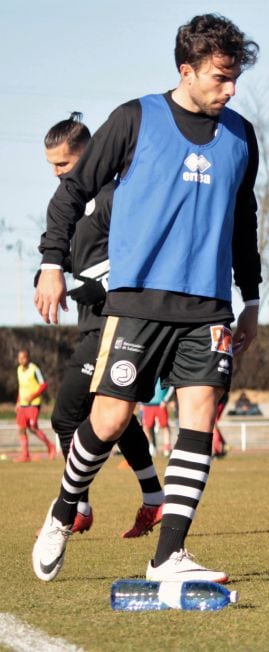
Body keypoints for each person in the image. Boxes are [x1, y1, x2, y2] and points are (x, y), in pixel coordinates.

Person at [32, 14, 261, 583]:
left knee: (199, 422)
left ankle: (170, 555)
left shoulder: (242, 136)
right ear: (187, 70)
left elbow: (243, 221)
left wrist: (251, 298)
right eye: (218, 77)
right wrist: (51, 264)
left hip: (208, 307)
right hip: (136, 302)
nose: (229, 89)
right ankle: (64, 509)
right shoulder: (135, 118)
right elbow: (72, 193)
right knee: (108, 420)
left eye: (234, 78)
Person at [41, 113, 165, 539]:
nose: (57, 175)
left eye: (63, 165)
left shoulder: (117, 196)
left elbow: (143, 256)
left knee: (64, 417)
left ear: (89, 156)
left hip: (115, 327)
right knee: (115, 414)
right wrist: (52, 273)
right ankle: (154, 498)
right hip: (92, 324)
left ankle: (77, 506)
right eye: (52, 167)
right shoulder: (70, 205)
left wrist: (102, 286)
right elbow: (77, 258)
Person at [15, 350, 55, 462]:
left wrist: (33, 396)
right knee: (21, 429)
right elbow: (21, 387)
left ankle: (50, 446)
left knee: (33, 428)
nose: (21, 360)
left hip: (33, 404)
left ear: (28, 358)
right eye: (19, 358)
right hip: (22, 404)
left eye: (23, 358)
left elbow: (43, 385)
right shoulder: (18, 369)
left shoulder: (34, 370)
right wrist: (18, 401)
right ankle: (25, 455)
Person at [139, 378, 174, 456]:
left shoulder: (165, 373)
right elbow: (140, 386)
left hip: (161, 405)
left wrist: (166, 400)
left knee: (165, 426)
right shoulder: (147, 373)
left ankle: (167, 449)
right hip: (147, 404)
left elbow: (172, 386)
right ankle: (150, 447)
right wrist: (141, 402)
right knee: (146, 427)